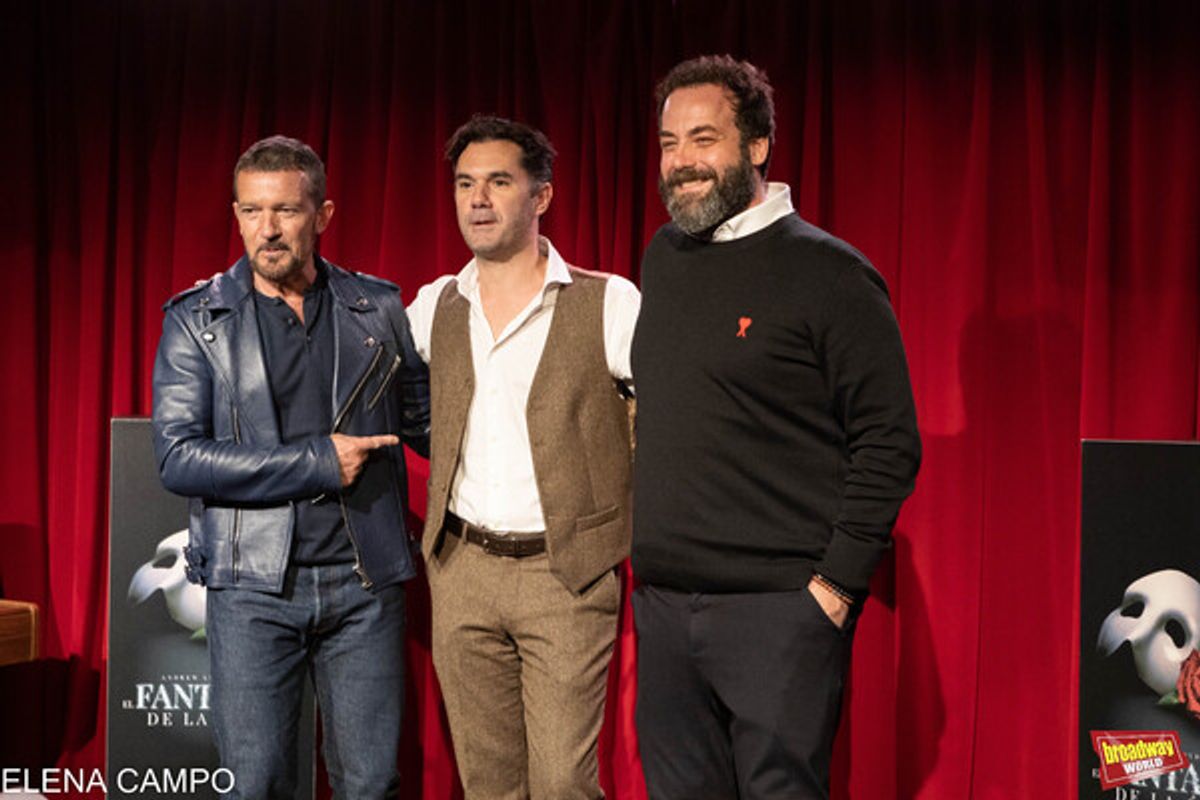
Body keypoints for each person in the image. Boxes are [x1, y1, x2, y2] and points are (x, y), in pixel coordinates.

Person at [631, 55, 922, 799]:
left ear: (757, 146)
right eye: (668, 143)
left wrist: (833, 591)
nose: (682, 163)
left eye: (704, 139)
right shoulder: (663, 258)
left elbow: (888, 441)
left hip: (778, 615)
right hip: (664, 610)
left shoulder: (829, 274)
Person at [152, 135, 429, 799]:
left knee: (371, 783)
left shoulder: (379, 308)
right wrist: (316, 463)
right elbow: (178, 456)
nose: (267, 230)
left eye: (285, 211)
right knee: (258, 784)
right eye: (251, 211)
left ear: (324, 214)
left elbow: (432, 423)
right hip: (251, 591)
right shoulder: (199, 320)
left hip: (363, 587)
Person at [406, 115, 640, 800]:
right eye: (465, 184)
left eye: (498, 182)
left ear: (541, 197)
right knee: (488, 782)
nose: (477, 200)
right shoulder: (434, 307)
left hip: (565, 572)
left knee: (563, 781)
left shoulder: (608, 302)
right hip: (462, 569)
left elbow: (665, 417)